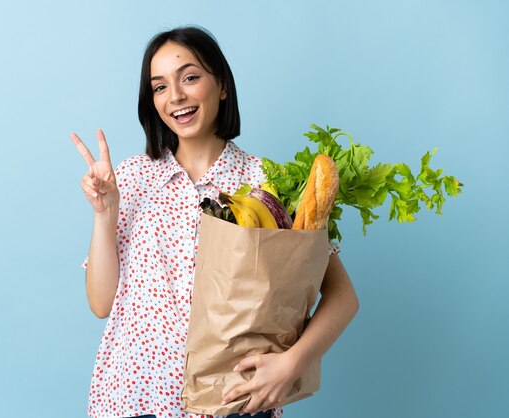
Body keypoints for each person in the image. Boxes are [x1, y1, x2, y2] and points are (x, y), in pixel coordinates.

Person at [70, 26, 359, 418]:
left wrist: (293, 363)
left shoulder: (264, 182)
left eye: (190, 77)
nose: (175, 97)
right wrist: (104, 214)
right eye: (159, 87)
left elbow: (343, 297)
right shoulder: (133, 177)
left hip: (230, 404)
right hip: (134, 397)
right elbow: (101, 303)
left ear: (221, 85)